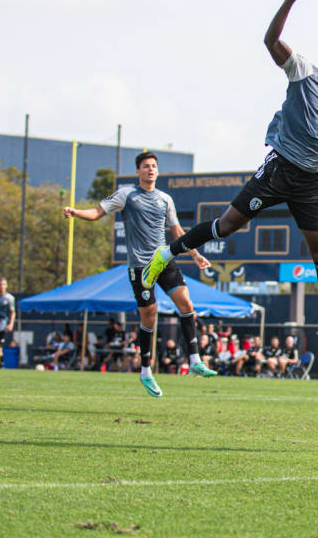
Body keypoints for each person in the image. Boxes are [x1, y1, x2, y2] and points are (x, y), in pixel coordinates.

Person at [142, 0, 318, 364]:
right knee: (225, 226)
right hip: (278, 169)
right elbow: (271, 42)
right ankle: (166, 254)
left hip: (308, 181)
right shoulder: (304, 71)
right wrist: (289, 0)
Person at [64, 151, 217, 398]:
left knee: (187, 303)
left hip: (163, 260)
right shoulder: (127, 194)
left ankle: (196, 360)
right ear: (138, 171)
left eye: (154, 166)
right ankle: (146, 370)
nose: (150, 169)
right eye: (146, 166)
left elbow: (177, 230)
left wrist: (196, 255)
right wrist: (76, 212)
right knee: (150, 316)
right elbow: (96, 213)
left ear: (158, 171)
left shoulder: (165, 199)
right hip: (140, 266)